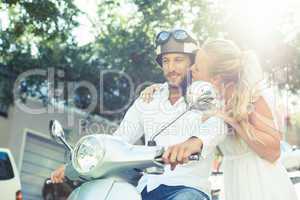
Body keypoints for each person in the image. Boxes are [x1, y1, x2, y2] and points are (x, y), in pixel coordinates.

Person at [51, 29, 228, 200]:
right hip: (146, 188)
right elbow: (119, 140)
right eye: (166, 61)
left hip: (189, 188)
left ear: (192, 63)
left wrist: (195, 142)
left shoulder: (206, 97)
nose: (171, 68)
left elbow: (219, 125)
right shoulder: (149, 99)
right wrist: (73, 166)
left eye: (178, 60)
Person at [141, 39, 298, 200]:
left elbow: (274, 152)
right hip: (234, 180)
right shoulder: (213, 100)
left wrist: (233, 121)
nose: (191, 69)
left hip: (261, 181)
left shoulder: (252, 98)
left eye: (197, 67)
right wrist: (156, 89)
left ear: (215, 78)